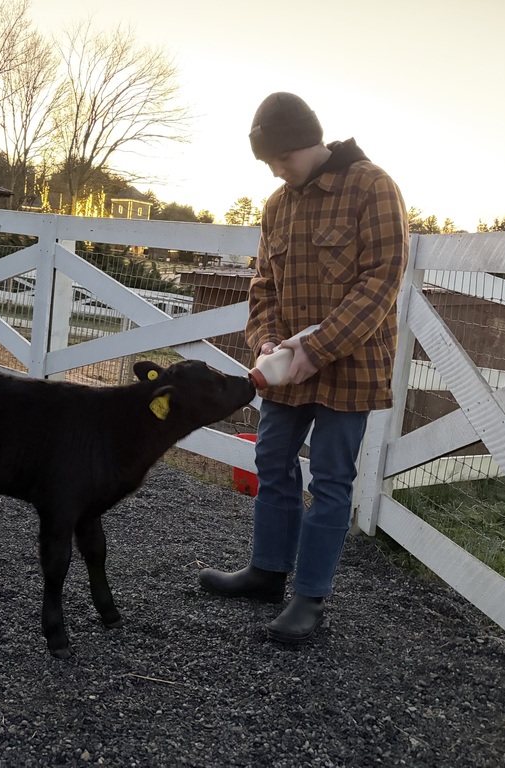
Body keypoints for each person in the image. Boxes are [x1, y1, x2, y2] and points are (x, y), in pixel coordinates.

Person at [199, 92, 409, 643]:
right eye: (268, 161)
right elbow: (264, 285)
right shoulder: (277, 205)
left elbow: (381, 281)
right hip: (287, 367)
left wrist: (316, 349)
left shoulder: (372, 187)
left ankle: (310, 597)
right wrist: (268, 342)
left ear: (309, 142)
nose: (275, 169)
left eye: (281, 157)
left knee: (333, 479)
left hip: (351, 366)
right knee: (271, 459)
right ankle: (268, 572)